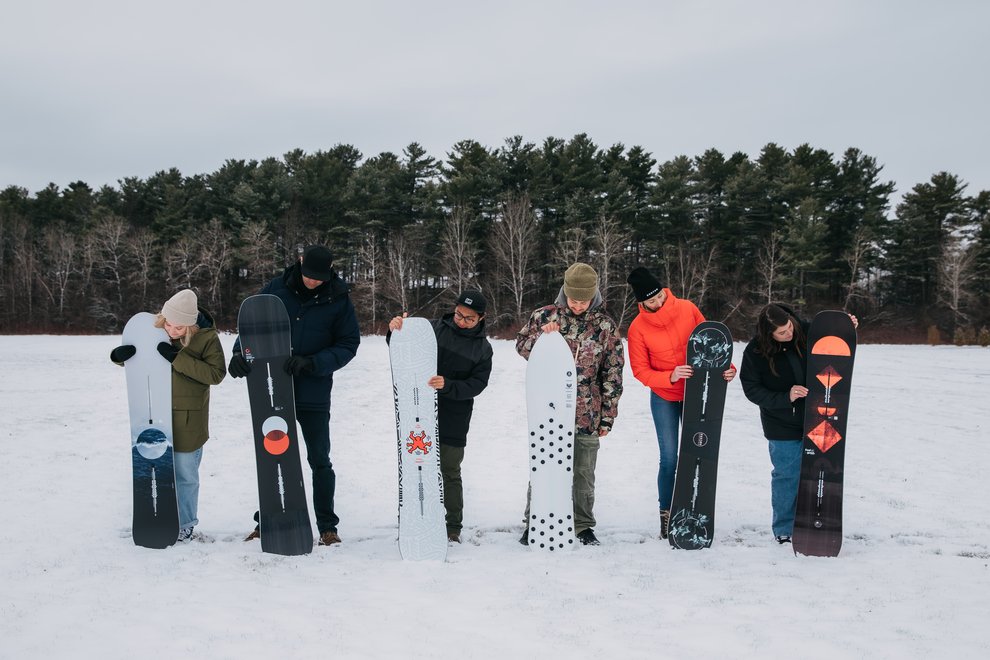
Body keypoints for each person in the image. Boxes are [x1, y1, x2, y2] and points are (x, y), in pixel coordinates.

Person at [228, 245, 360, 547]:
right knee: (273, 455)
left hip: (313, 391)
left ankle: (327, 526)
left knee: (319, 460)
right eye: (309, 275)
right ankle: (267, 522)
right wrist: (238, 353)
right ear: (300, 264)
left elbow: (349, 343)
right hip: (273, 389)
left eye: (319, 278)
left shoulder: (338, 298)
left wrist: (313, 363)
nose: (313, 282)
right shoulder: (276, 289)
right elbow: (253, 325)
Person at [515, 262, 624, 546]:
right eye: (573, 299)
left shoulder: (604, 325)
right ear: (565, 292)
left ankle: (583, 525)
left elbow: (613, 371)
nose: (577, 305)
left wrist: (607, 416)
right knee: (545, 466)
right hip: (549, 410)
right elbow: (521, 346)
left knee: (584, 472)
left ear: (594, 295)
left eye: (583, 300)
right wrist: (543, 337)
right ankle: (535, 521)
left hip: (587, 412)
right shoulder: (544, 316)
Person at [625, 266, 736, 539]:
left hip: (698, 394)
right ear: (642, 303)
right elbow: (640, 371)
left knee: (699, 454)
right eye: (651, 301)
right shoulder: (637, 328)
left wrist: (727, 367)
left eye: (660, 297)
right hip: (664, 396)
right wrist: (670, 376)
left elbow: (712, 343)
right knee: (670, 458)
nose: (658, 303)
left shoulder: (687, 308)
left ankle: (697, 508)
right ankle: (667, 513)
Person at [110, 289, 227, 543]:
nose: (172, 331)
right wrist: (120, 358)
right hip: (155, 414)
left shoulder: (206, 338)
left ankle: (185, 523)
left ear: (191, 325)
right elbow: (139, 356)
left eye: (179, 327)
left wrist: (178, 358)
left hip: (188, 420)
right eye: (169, 324)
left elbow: (216, 374)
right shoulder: (156, 329)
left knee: (185, 474)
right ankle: (158, 516)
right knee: (156, 468)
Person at [739, 303, 857, 544]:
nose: (788, 334)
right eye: (781, 332)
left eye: (788, 327)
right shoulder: (755, 352)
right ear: (767, 333)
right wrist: (785, 396)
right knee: (787, 475)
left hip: (819, 417)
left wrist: (847, 328)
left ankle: (818, 521)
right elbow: (751, 389)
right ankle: (784, 528)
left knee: (821, 471)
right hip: (780, 423)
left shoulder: (805, 331)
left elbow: (832, 339)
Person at [387, 290, 494, 544]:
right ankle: (413, 518)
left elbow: (478, 384)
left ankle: (452, 525)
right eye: (459, 314)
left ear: (481, 318)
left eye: (469, 318)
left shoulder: (482, 349)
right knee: (416, 466)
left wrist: (448, 385)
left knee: (449, 469)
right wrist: (396, 330)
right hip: (419, 412)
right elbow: (401, 348)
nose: (461, 320)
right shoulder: (432, 329)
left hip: (455, 416)